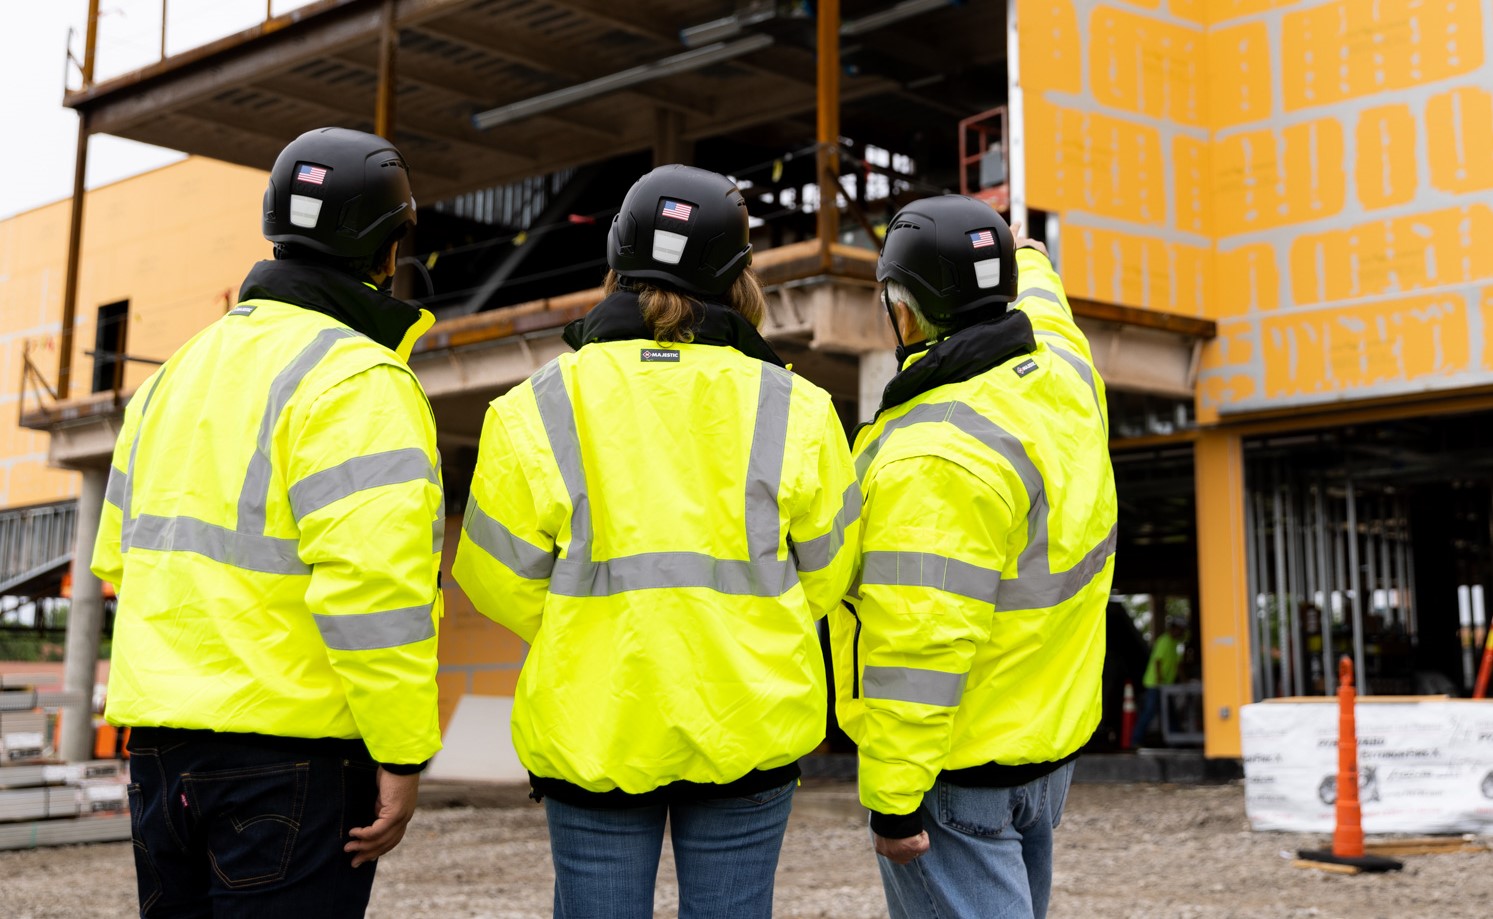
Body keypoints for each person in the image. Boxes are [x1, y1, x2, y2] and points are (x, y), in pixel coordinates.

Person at [452, 164, 858, 919]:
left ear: (615, 264)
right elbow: (832, 576)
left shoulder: (533, 405)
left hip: (592, 726)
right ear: (740, 276)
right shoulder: (798, 407)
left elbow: (493, 578)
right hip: (749, 719)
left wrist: (592, 629)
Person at [92, 127, 444, 917]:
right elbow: (375, 595)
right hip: (291, 762)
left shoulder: (174, 374)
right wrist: (401, 750)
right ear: (388, 246)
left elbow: (118, 560)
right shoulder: (358, 378)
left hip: (157, 757)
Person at [830, 195, 1117, 919]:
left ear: (904, 308)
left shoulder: (931, 452)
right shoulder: (1064, 377)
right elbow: (1046, 307)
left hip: (956, 768)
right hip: (1046, 755)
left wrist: (893, 800)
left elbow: (919, 644)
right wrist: (1025, 253)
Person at [1131, 614, 1188, 747]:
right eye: (1181, 629)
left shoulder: (1174, 644)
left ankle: (1176, 741)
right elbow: (1157, 661)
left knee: (1169, 713)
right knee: (1150, 712)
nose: (1182, 632)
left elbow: (1178, 665)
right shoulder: (1165, 641)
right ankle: (1135, 740)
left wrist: (1184, 680)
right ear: (1175, 628)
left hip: (1164, 686)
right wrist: (1159, 679)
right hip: (1155, 684)